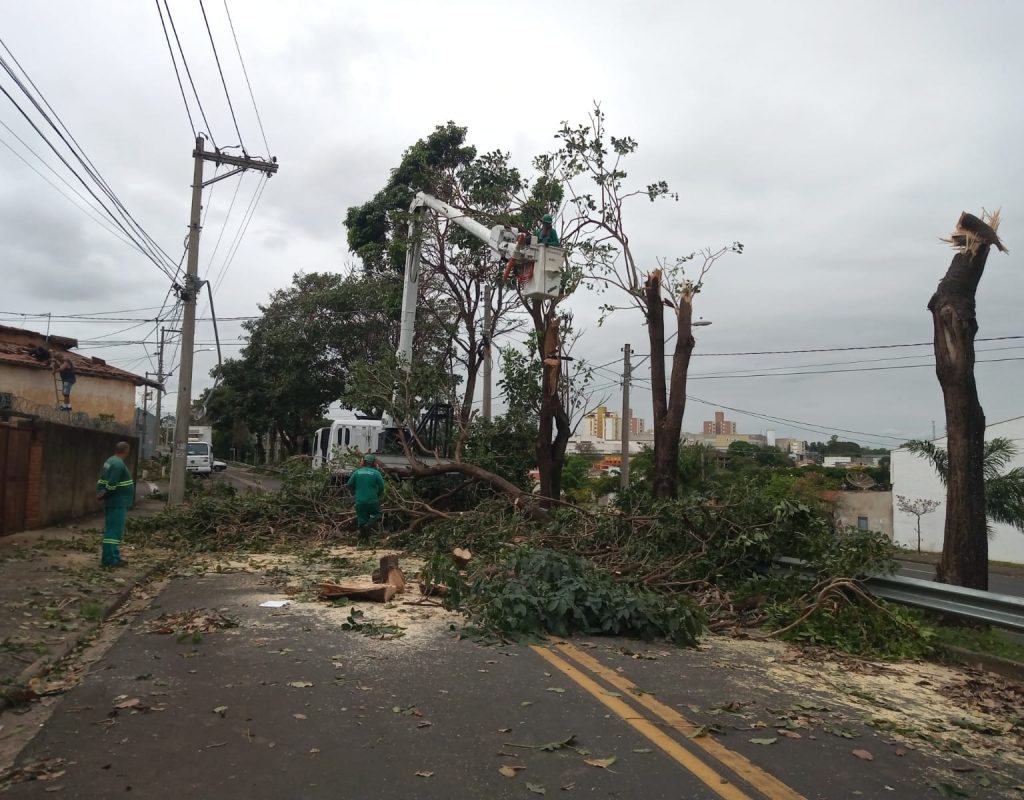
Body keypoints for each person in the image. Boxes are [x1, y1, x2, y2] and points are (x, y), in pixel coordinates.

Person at [96, 441, 134, 567]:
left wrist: (101, 491)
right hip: (117, 500)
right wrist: (105, 492)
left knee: (112, 529)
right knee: (114, 531)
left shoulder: (110, 461)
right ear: (127, 451)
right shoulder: (118, 464)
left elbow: (102, 479)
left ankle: (114, 557)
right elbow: (112, 483)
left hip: (114, 500)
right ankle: (110, 559)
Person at [347, 453, 385, 539]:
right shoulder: (376, 473)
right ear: (373, 463)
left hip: (360, 501)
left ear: (363, 462)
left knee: (362, 520)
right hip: (372, 500)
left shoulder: (357, 472)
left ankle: (363, 540)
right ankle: (369, 525)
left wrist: (355, 492)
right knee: (377, 514)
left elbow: (349, 485)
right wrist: (378, 495)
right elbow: (382, 487)